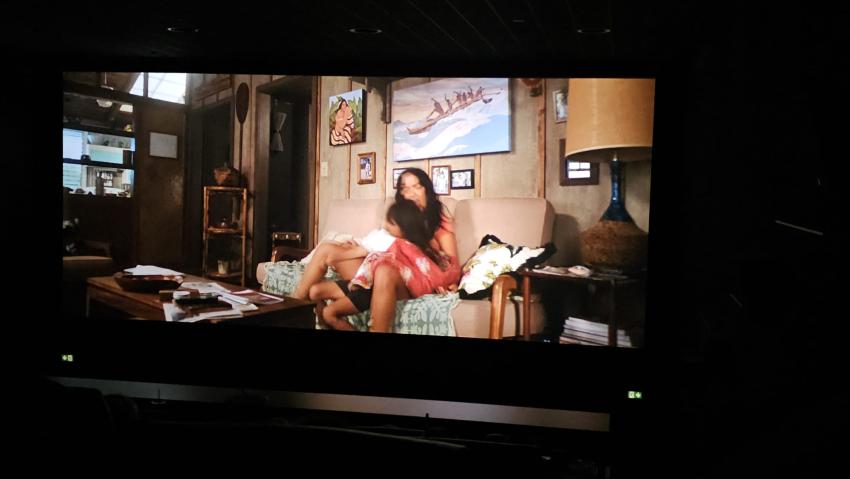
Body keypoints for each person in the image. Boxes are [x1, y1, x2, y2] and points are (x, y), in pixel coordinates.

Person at [308, 198, 440, 330]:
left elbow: (429, 273)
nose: (385, 226)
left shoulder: (408, 248)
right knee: (314, 292)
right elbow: (367, 248)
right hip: (364, 283)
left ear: (405, 228)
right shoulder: (385, 239)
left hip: (376, 288)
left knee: (329, 313)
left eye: (391, 223)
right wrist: (354, 248)